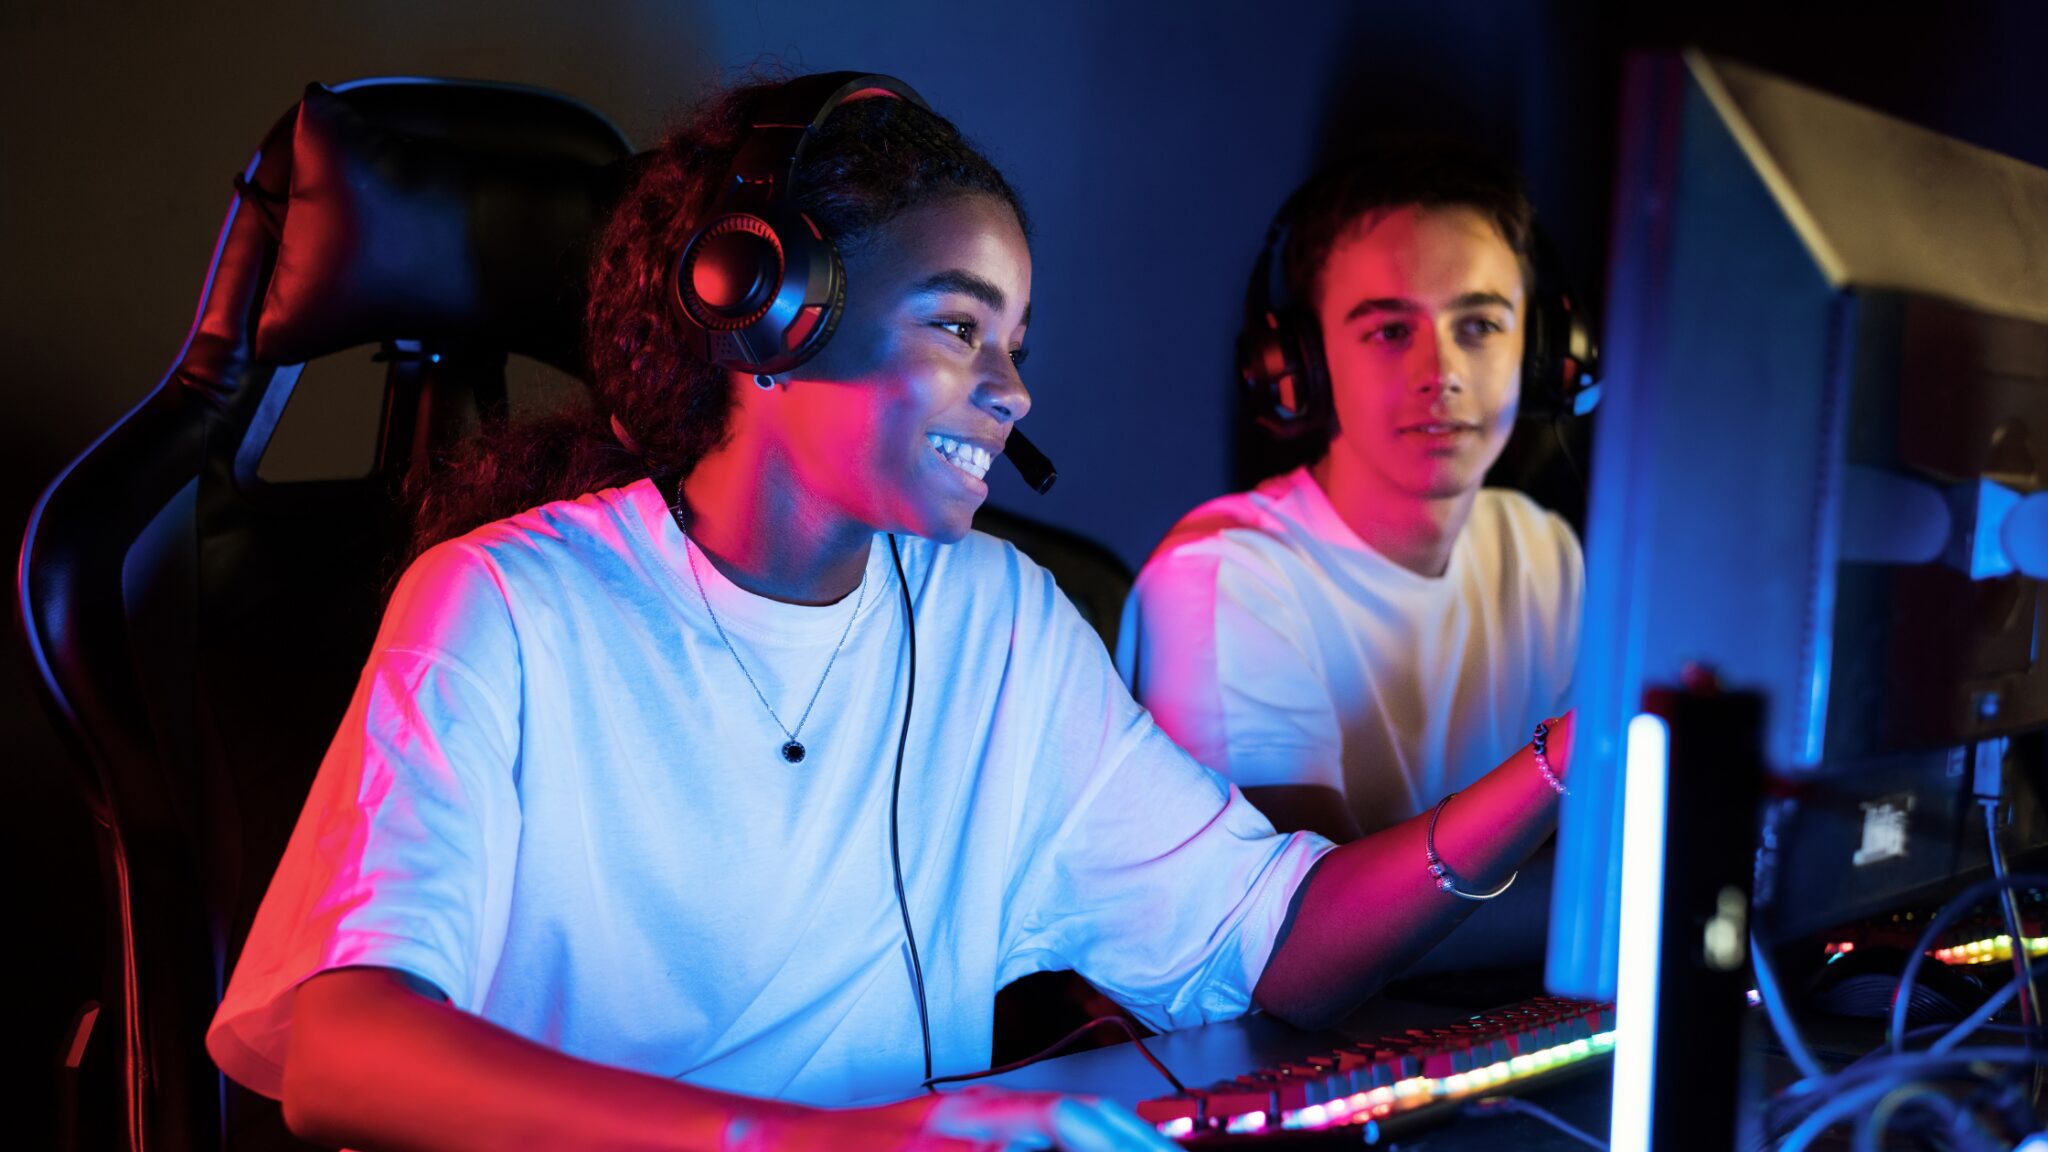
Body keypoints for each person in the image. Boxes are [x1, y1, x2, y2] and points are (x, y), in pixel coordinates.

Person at [206, 77, 1573, 1152]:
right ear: (774, 319)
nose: (1013, 391)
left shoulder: (998, 621)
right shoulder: (508, 603)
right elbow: (342, 1054)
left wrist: (1559, 762)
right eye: (959, 327)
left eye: (1017, 342)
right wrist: (812, 1143)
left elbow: (1282, 944)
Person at [1116, 147, 1583, 851]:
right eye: (1391, 331)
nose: (1442, 373)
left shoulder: (1542, 553)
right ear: (1302, 365)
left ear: (1543, 352)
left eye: (1480, 326)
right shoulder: (1221, 582)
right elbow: (1314, 909)